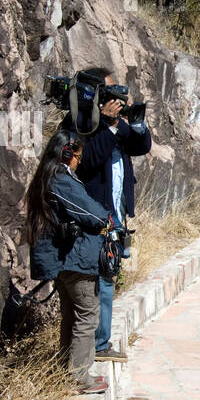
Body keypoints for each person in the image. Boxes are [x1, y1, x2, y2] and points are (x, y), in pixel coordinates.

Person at [66, 67, 151, 363]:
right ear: (94, 93)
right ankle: (98, 347)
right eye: (109, 92)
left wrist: (130, 122)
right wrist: (108, 124)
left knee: (108, 277)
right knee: (97, 281)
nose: (115, 98)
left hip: (114, 216)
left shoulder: (112, 124)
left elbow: (142, 145)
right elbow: (87, 162)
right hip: (93, 219)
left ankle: (98, 344)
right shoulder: (81, 123)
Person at [24, 130, 112, 394]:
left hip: (64, 260)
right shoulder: (60, 179)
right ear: (66, 153)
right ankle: (78, 378)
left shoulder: (46, 178)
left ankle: (66, 373)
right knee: (87, 315)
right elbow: (93, 214)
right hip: (76, 260)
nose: (79, 161)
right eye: (78, 156)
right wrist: (105, 219)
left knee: (72, 315)